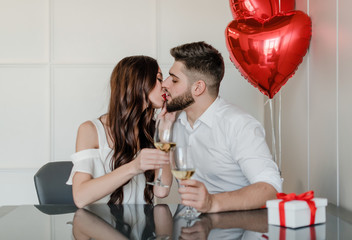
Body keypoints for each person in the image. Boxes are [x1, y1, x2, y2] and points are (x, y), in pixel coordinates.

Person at [162, 41, 283, 213]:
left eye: (174, 80)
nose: (165, 84)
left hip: (237, 228)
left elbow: (270, 188)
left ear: (198, 88)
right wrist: (163, 133)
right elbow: (161, 187)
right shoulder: (173, 122)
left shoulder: (239, 125)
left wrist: (211, 202)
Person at [67, 55, 173, 208]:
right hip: (99, 228)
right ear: (138, 83)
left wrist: (164, 133)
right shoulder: (91, 130)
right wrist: (134, 167)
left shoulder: (153, 129)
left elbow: (161, 191)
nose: (164, 86)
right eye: (158, 79)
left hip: (143, 229)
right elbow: (80, 197)